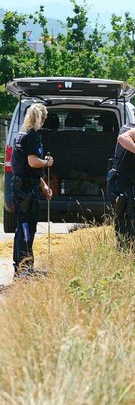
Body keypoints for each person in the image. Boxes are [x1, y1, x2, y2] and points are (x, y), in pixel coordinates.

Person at [10, 103, 54, 278]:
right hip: (26, 190)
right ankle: (25, 269)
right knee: (27, 228)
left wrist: (43, 186)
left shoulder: (21, 135)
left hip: (23, 185)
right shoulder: (32, 137)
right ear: (41, 118)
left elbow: (28, 169)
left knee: (23, 227)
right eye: (45, 118)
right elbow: (33, 162)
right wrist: (47, 162)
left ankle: (22, 266)